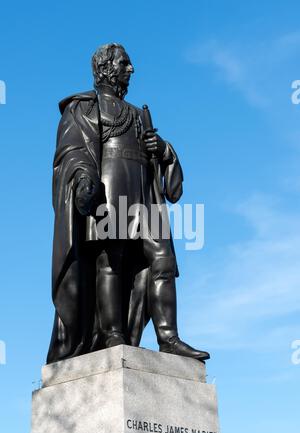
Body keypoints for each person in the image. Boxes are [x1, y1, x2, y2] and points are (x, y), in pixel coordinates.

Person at [47, 43, 210, 364]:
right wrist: (83, 178)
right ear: (106, 67)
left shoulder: (138, 114)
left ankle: (169, 337)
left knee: (162, 262)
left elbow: (163, 163)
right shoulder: (83, 107)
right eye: (125, 63)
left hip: (145, 195)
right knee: (111, 261)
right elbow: (72, 151)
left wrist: (163, 150)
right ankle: (113, 335)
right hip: (109, 191)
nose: (131, 69)